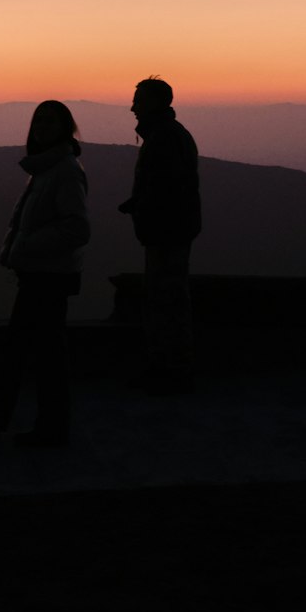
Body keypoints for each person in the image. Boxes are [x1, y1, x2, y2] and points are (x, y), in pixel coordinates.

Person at [0, 100, 89, 445]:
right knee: (32, 355)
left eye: (49, 121)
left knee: (35, 356)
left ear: (65, 127)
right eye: (37, 120)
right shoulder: (45, 170)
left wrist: (26, 246)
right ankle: (10, 423)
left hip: (48, 278)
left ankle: (22, 426)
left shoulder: (65, 170)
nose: (41, 126)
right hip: (39, 275)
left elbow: (77, 229)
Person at [118, 76, 201, 393]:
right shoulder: (169, 135)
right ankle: (171, 369)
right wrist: (138, 203)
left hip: (166, 233)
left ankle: (170, 371)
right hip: (170, 230)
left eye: (138, 100)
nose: (132, 107)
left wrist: (143, 207)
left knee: (165, 301)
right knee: (167, 298)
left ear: (154, 103)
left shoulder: (164, 138)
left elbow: (168, 189)